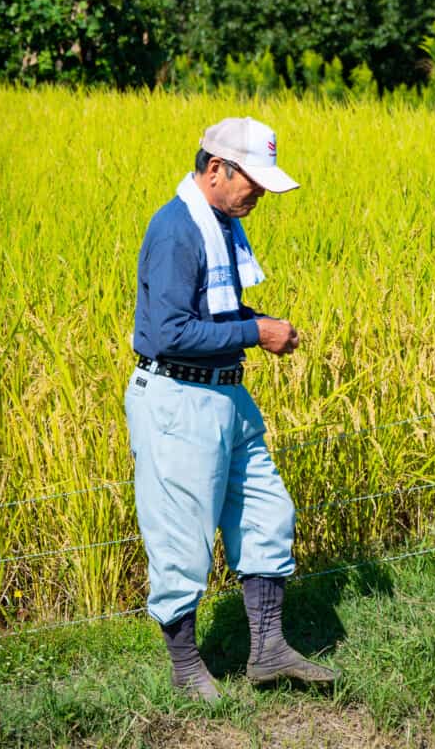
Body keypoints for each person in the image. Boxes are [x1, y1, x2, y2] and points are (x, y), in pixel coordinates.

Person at [125, 115, 335, 702]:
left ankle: (268, 650)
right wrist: (254, 331)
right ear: (216, 168)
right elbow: (167, 332)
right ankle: (187, 669)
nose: (261, 194)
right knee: (182, 540)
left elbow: (213, 314)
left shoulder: (220, 224)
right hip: (179, 399)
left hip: (226, 395)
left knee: (269, 513)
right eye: (255, 181)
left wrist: (258, 325)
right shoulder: (177, 231)